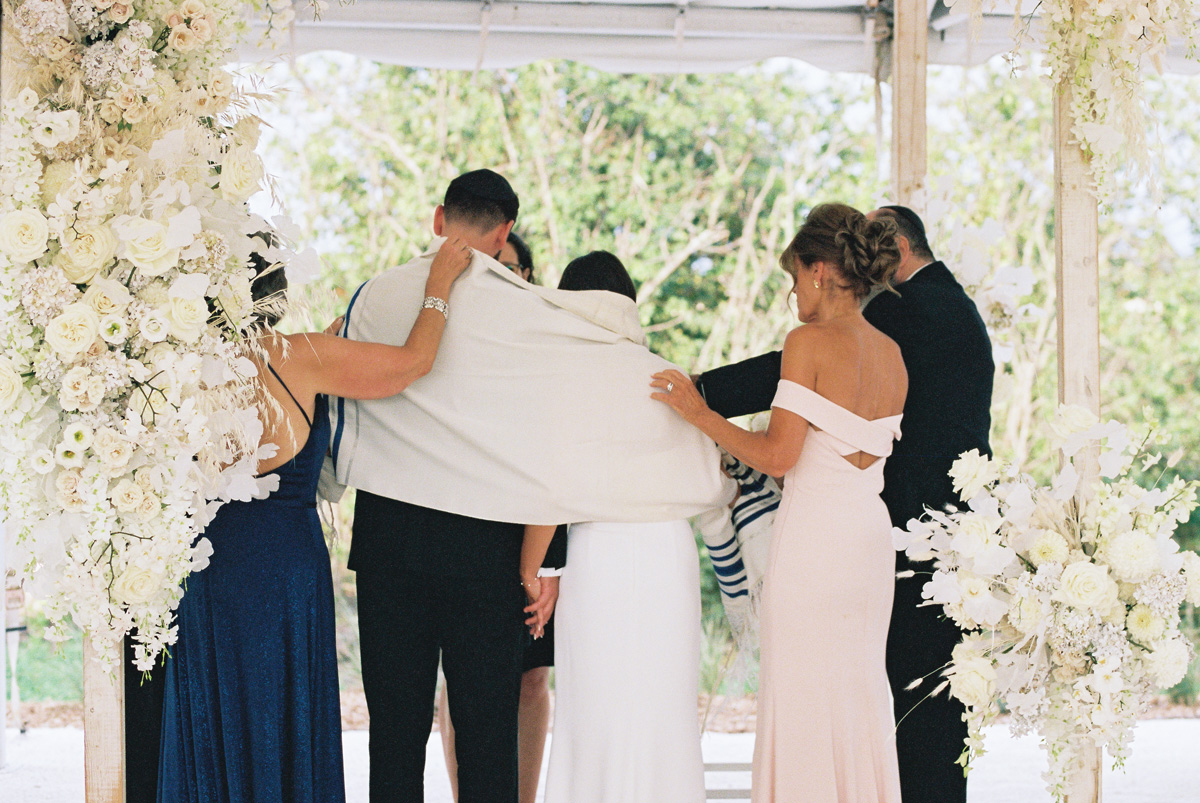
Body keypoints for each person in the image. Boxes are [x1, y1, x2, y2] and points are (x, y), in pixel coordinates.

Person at [691, 204, 994, 803]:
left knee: (856, 701)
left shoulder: (902, 316)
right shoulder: (958, 312)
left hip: (889, 535)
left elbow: (790, 381)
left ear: (898, 248)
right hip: (924, 538)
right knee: (902, 705)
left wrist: (703, 396)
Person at [157, 236, 475, 803]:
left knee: (217, 716)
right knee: (287, 715)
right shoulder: (303, 357)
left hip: (209, 571)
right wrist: (439, 286)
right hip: (286, 573)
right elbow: (414, 363)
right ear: (274, 290)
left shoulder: (175, 370)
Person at [653, 204, 907, 803]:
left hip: (816, 543)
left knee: (798, 695)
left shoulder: (808, 341)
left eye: (793, 277)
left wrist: (700, 414)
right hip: (870, 542)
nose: (792, 293)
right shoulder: (893, 353)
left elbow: (778, 456)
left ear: (819, 270)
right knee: (860, 693)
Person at [333, 169, 561, 803]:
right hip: (483, 549)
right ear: (504, 231)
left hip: (389, 546)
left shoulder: (371, 297)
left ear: (439, 218)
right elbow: (542, 441)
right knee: (488, 738)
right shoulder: (529, 315)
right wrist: (535, 562)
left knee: (395, 737)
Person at [541, 250, 706, 803]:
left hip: (596, 552)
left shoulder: (560, 381)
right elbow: (710, 478)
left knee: (594, 707)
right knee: (664, 709)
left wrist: (536, 566)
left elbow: (548, 483)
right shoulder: (668, 375)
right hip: (667, 550)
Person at [436, 228, 565, 803]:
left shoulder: (548, 344)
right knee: (459, 682)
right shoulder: (448, 338)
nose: (501, 279)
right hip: (462, 534)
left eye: (511, 269)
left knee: (533, 676)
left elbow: (560, 455)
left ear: (529, 278)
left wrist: (549, 565)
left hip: (534, 534)